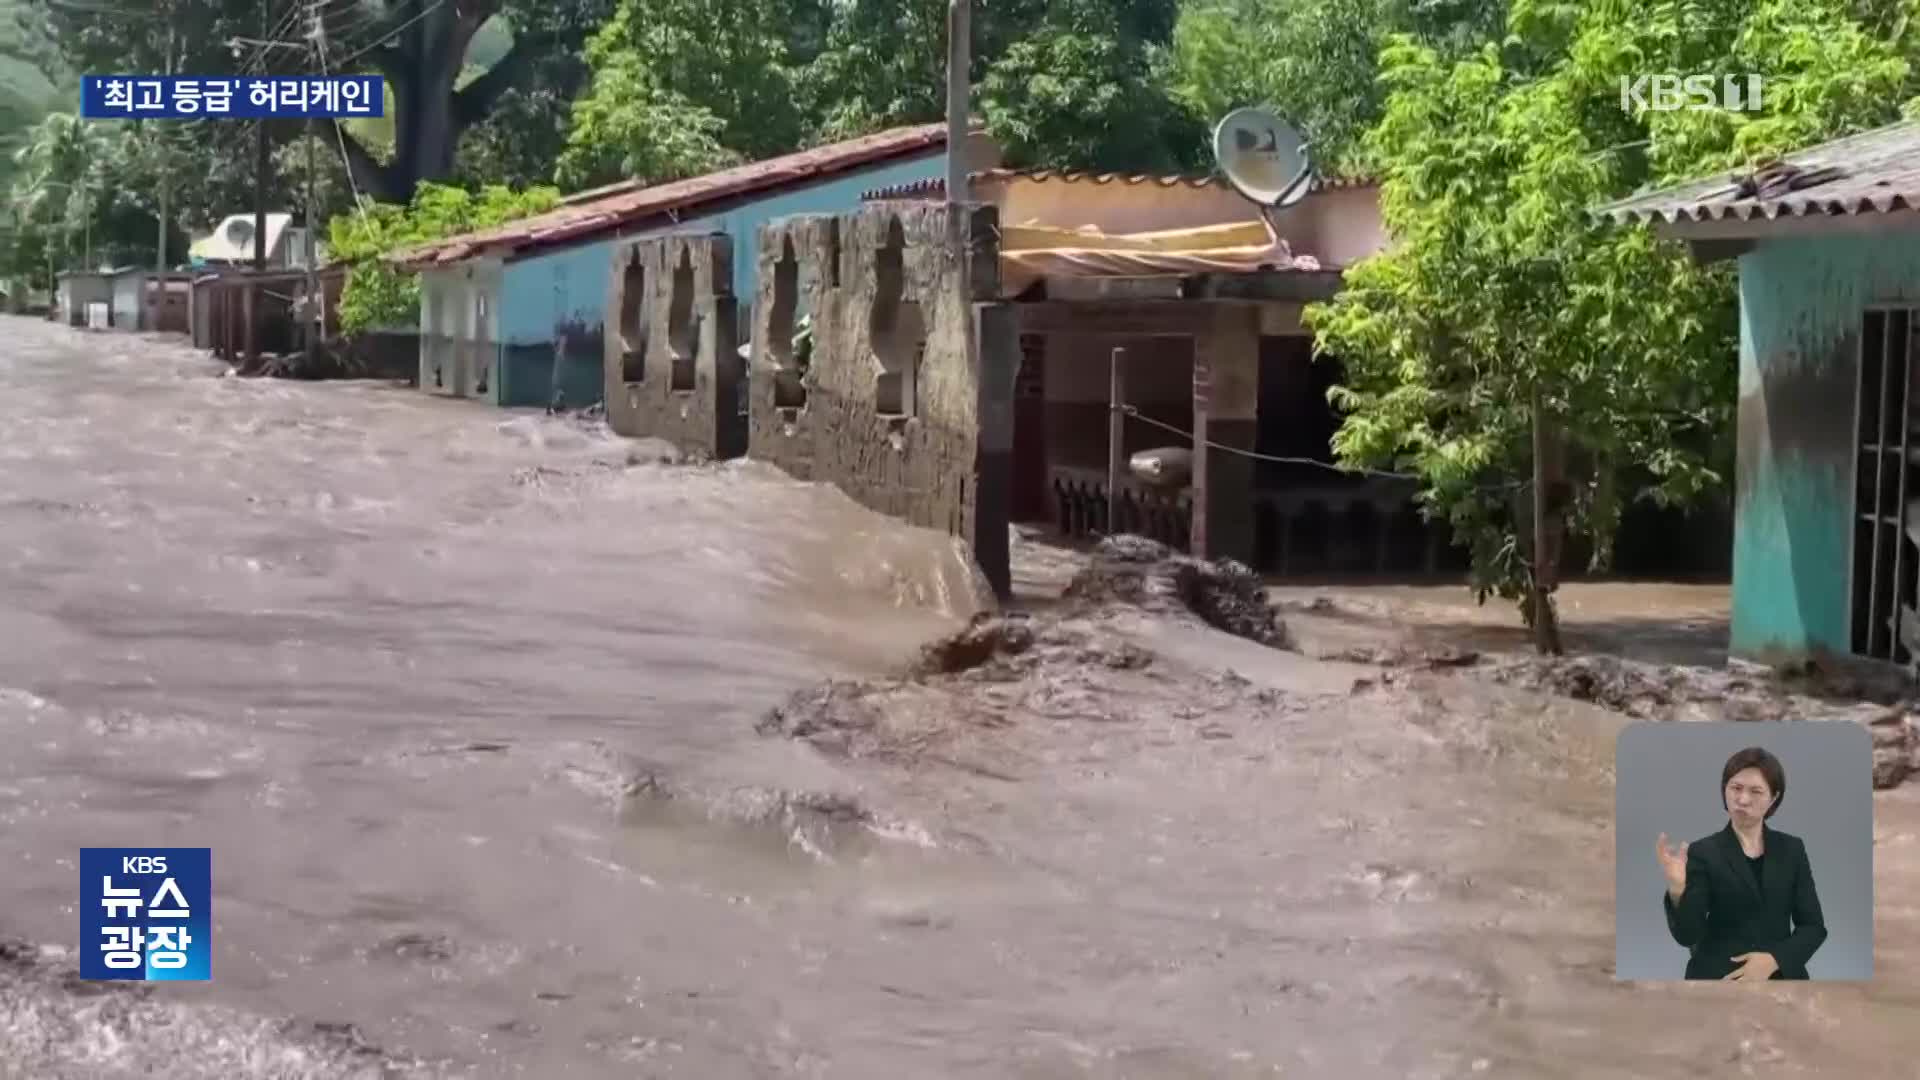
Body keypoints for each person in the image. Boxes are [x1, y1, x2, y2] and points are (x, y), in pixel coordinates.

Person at [1655, 746, 1827, 980]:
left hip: (1781, 977)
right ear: (1724, 790)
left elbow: (1813, 927)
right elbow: (1688, 936)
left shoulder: (1792, 849)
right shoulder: (1704, 851)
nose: (1743, 799)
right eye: (1735, 788)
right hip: (1717, 978)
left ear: (1773, 797)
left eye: (1755, 791)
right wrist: (1677, 890)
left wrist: (1774, 960)